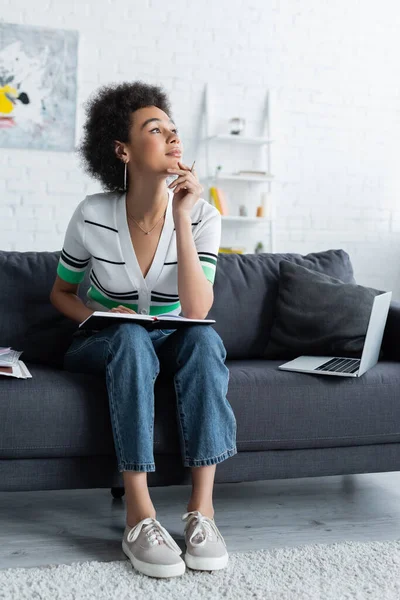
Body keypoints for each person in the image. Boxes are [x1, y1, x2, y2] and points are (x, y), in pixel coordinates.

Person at [50, 81, 237, 579]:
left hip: (173, 338)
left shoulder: (202, 216)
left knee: (204, 339)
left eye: (174, 129)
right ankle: (139, 512)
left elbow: (197, 311)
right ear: (123, 149)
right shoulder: (93, 214)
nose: (173, 137)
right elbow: (61, 294)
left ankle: (203, 512)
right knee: (131, 339)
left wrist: (181, 217)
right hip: (104, 343)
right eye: (156, 129)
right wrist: (104, 317)